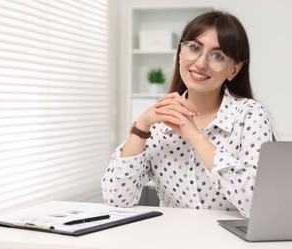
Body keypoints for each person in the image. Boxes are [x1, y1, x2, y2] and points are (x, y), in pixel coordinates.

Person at [101, 10, 274, 218]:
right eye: (194, 48)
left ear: (234, 70)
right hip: (171, 245)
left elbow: (255, 205)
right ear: (180, 53)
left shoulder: (251, 115)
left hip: (233, 247)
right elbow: (116, 198)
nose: (201, 63)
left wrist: (196, 137)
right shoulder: (159, 121)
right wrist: (142, 125)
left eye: (217, 55)